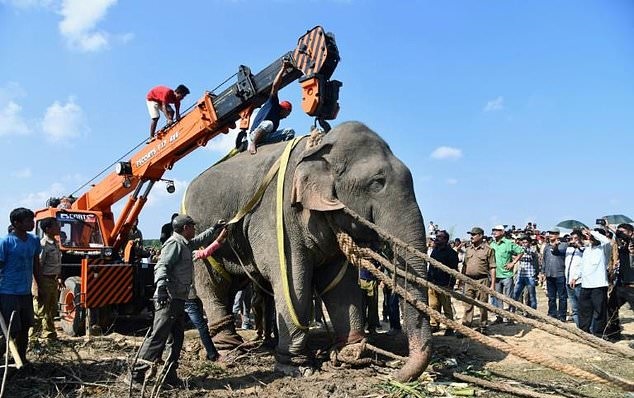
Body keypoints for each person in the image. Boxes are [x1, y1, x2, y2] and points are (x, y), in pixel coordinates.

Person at [131, 215, 224, 387]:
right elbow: (161, 265)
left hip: (179, 299)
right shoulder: (174, 244)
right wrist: (160, 287)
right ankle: (136, 374)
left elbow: (198, 241)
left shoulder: (185, 243)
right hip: (169, 299)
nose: (195, 229)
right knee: (158, 337)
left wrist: (214, 229)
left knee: (176, 338)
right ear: (186, 228)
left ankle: (169, 375)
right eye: (192, 227)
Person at [0, 208, 42, 365]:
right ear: (16, 223)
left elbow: (36, 264)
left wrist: (40, 286)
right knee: (11, 329)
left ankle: (21, 359)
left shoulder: (34, 241)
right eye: (28, 221)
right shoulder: (5, 242)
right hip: (7, 292)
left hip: (25, 292)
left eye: (32, 220)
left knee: (25, 327)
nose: (32, 223)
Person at [183, 226, 228, 361]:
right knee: (201, 326)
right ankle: (213, 355)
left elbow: (204, 251)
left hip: (185, 295)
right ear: (184, 229)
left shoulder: (179, 249)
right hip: (186, 297)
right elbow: (204, 251)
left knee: (170, 326)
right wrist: (219, 240)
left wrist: (215, 231)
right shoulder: (182, 251)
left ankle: (158, 354)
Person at [246, 59, 294, 154]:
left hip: (265, 138)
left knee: (290, 132)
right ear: (284, 109)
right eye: (287, 113)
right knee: (268, 124)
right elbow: (275, 86)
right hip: (255, 134)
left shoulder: (277, 121)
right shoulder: (273, 104)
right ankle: (253, 143)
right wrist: (283, 68)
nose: (287, 116)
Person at [574, 228, 612, 337]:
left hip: (599, 286)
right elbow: (583, 266)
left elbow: (607, 241)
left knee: (599, 312)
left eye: (591, 236)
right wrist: (575, 277)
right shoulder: (587, 249)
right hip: (585, 285)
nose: (589, 237)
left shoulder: (604, 249)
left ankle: (598, 334)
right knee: (584, 311)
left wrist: (592, 232)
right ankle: (584, 333)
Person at [460, 227, 496, 333]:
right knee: (467, 304)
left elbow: (492, 267)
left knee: (482, 305)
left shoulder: (488, 250)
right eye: (471, 234)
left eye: (474, 234)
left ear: (480, 236)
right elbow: (464, 265)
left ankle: (483, 326)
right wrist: (461, 279)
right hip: (469, 280)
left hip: (483, 280)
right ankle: (466, 326)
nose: (471, 236)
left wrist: (492, 284)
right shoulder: (468, 249)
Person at [33, 217, 63, 340]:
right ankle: (33, 338)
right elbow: (37, 266)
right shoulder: (43, 245)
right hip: (44, 280)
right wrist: (38, 286)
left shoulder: (55, 243)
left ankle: (49, 336)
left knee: (51, 309)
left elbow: (56, 263)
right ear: (48, 229)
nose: (59, 227)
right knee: (40, 310)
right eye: (56, 225)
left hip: (53, 280)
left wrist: (59, 277)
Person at [489, 225, 524, 324]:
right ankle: (499, 317)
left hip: (507, 275)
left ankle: (510, 318)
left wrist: (513, 263)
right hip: (496, 275)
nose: (494, 232)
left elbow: (521, 251)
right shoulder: (491, 244)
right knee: (497, 297)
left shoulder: (508, 243)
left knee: (509, 298)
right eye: (493, 230)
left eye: (497, 230)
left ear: (502, 232)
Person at [605, 223, 634, 339]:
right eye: (619, 232)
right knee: (611, 308)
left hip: (632, 285)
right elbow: (615, 239)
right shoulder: (622, 244)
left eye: (623, 232)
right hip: (621, 285)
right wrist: (608, 228)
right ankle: (614, 333)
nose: (620, 234)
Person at [428, 230, 459, 335]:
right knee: (433, 305)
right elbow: (431, 267)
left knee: (446, 307)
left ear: (445, 239)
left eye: (439, 237)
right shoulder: (434, 251)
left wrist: (451, 285)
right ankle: (434, 324)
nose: (436, 238)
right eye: (436, 236)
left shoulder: (452, 253)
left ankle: (449, 327)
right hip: (433, 283)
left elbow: (454, 271)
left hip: (444, 284)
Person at [541, 227, 568, 321]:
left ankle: (562, 316)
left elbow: (556, 252)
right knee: (551, 297)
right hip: (549, 274)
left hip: (560, 274)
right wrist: (542, 272)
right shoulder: (546, 246)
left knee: (562, 297)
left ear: (557, 235)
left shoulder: (564, 245)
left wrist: (555, 245)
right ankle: (552, 313)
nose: (551, 235)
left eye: (553, 233)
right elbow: (544, 260)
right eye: (550, 233)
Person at [512, 235, 539, 311]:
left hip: (530, 276)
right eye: (523, 242)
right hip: (520, 276)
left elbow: (530, 253)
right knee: (516, 294)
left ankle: (533, 313)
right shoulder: (519, 250)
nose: (524, 244)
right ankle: (515, 311)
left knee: (531, 296)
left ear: (529, 243)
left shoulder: (533, 250)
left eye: (526, 242)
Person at [565, 230, 584, 326]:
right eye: (572, 238)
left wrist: (576, 278)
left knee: (582, 307)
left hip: (578, 282)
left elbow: (583, 266)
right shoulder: (569, 249)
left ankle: (587, 330)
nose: (573, 240)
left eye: (576, 238)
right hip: (568, 281)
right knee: (574, 308)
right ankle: (580, 328)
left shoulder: (584, 250)